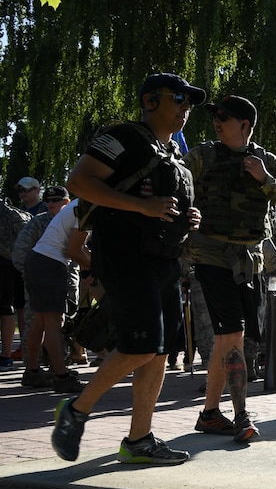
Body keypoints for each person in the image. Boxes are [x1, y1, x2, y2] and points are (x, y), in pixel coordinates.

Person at [52, 71, 204, 465]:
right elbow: (80, 181)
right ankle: (77, 410)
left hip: (164, 261)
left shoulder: (174, 152)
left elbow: (164, 202)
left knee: (158, 352)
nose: (186, 107)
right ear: (150, 101)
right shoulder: (123, 137)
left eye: (190, 101)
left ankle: (139, 440)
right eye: (179, 98)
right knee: (140, 345)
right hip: (124, 256)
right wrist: (141, 206)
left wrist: (188, 219)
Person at [184, 94, 276, 442]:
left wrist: (266, 180)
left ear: (245, 126)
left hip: (247, 261)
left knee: (231, 339)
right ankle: (241, 415)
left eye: (224, 117)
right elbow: (172, 186)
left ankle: (210, 413)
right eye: (215, 117)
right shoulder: (202, 155)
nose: (217, 123)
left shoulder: (264, 160)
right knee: (232, 334)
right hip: (209, 255)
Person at [18, 187, 86, 392]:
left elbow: (80, 248)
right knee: (54, 320)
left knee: (41, 320)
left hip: (40, 261)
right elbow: (74, 250)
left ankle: (32, 372)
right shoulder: (85, 209)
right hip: (49, 264)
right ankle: (61, 376)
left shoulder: (79, 205)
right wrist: (96, 267)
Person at [0, 176, 45, 368]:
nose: (23, 193)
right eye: (20, 190)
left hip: (30, 262)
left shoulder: (44, 209)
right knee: (18, 304)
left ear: (37, 190)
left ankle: (34, 350)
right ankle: (24, 347)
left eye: (27, 189)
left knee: (26, 307)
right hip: (15, 262)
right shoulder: (17, 211)